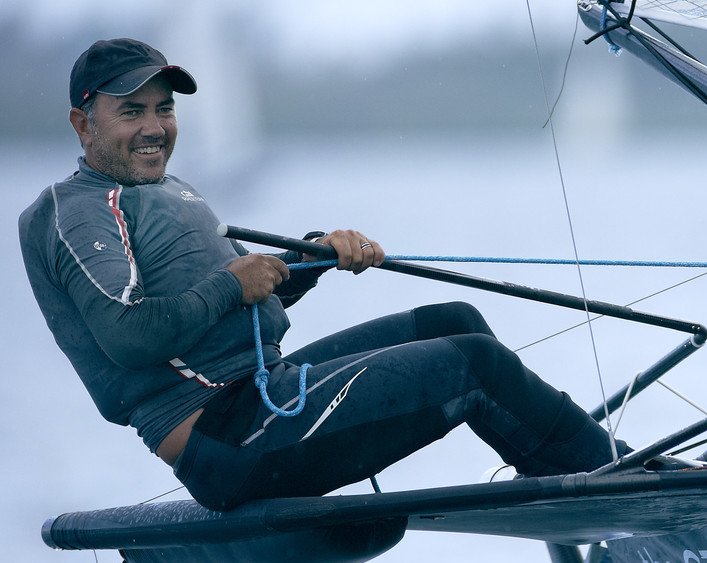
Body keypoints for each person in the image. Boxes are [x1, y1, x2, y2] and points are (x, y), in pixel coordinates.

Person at [19, 38, 619, 512]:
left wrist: (314, 257)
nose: (154, 126)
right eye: (131, 111)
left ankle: (567, 475)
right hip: (228, 439)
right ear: (83, 123)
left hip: (261, 392)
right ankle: (618, 478)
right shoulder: (75, 212)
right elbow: (129, 337)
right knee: (475, 364)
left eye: (164, 108)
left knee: (454, 322)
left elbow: (236, 304)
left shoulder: (167, 189)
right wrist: (233, 282)